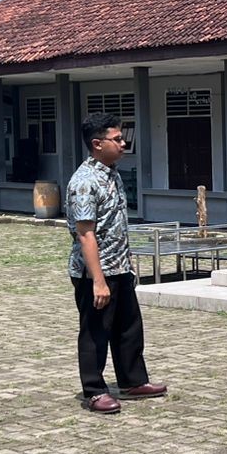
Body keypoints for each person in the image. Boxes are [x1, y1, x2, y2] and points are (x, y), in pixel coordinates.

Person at [66, 112, 166, 414]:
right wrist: (98, 280)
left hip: (120, 266)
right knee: (96, 331)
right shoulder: (84, 182)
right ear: (97, 144)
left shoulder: (112, 173)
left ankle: (132, 381)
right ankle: (94, 391)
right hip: (95, 271)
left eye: (123, 138)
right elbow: (85, 233)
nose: (124, 144)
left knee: (129, 327)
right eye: (118, 139)